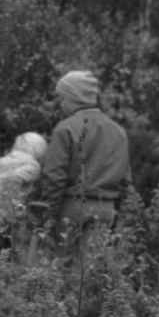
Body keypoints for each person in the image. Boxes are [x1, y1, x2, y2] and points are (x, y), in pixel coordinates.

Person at [36, 70, 133, 262]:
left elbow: (55, 177)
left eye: (62, 98)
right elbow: (126, 180)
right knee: (90, 273)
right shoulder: (119, 132)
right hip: (105, 209)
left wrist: (48, 216)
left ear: (74, 97)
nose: (60, 104)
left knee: (61, 268)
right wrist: (127, 218)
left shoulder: (65, 129)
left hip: (71, 209)